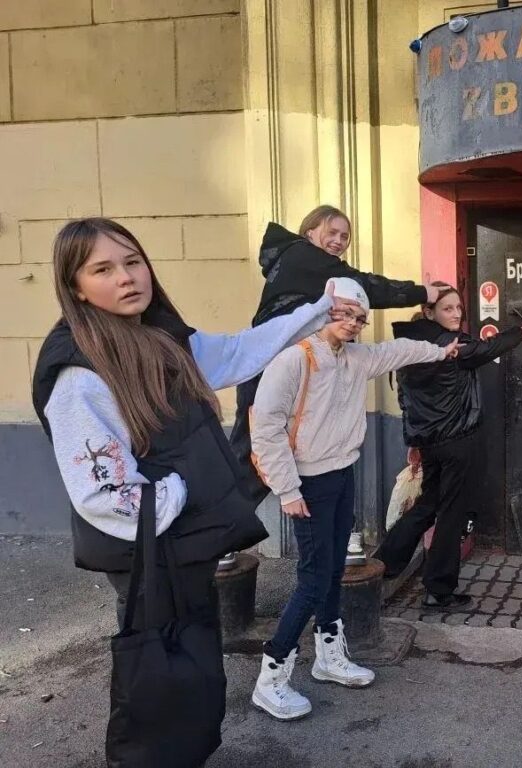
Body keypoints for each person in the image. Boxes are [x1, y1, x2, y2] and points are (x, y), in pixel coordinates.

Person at [31, 217, 352, 762]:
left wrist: (316, 312)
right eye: (102, 270)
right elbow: (103, 496)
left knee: (195, 672)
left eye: (133, 261)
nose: (126, 277)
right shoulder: (80, 372)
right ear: (76, 286)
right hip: (148, 556)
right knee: (160, 678)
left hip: (183, 547)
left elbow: (240, 352)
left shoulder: (161, 337)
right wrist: (183, 490)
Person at [249, 278, 459, 720]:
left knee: (332, 571)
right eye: (344, 313)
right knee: (313, 578)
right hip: (306, 484)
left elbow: (397, 351)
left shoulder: (354, 358)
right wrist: (287, 490)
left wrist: (441, 351)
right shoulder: (294, 359)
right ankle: (271, 677)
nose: (353, 323)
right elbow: (265, 428)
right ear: (324, 311)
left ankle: (329, 656)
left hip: (341, 475)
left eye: (360, 318)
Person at [231, 204, 444, 566]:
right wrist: (424, 293)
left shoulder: (307, 267)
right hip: (270, 369)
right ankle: (217, 535)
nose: (339, 241)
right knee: (251, 457)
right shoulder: (302, 256)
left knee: (296, 453)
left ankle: (338, 534)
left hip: (295, 371)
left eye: (345, 236)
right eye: (331, 232)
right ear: (309, 232)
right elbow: (367, 287)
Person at [378, 284, 522, 610]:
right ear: (429, 312)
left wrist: (415, 442)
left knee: (427, 504)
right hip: (458, 442)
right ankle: (439, 589)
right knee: (450, 513)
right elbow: (488, 348)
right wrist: (520, 332)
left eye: (459, 307)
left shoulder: (410, 346)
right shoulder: (452, 344)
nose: (457, 313)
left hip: (431, 444)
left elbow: (406, 400)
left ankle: (384, 564)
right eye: (448, 308)